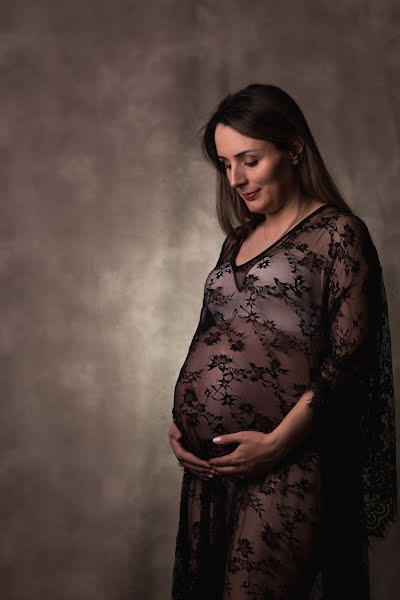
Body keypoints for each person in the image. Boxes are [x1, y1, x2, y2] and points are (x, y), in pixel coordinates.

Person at [168, 83, 398, 599]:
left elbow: (349, 363)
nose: (236, 179)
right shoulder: (238, 238)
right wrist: (182, 426)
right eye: (226, 165)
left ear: (293, 148)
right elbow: (213, 335)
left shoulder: (339, 234)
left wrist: (274, 445)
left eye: (248, 160)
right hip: (213, 474)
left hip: (290, 462)